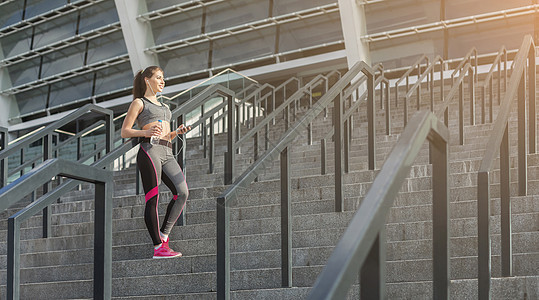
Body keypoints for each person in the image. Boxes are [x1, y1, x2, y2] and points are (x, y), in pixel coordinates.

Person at [121, 66, 191, 259]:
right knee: (153, 198)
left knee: (182, 192)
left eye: (163, 78)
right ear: (147, 80)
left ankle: (164, 235)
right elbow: (125, 131)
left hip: (167, 151)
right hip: (149, 150)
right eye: (158, 78)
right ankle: (158, 247)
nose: (162, 81)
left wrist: (177, 133)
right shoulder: (139, 102)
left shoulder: (165, 107)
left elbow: (166, 135)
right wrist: (145, 132)